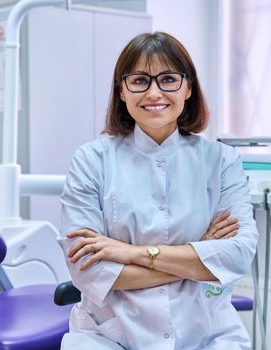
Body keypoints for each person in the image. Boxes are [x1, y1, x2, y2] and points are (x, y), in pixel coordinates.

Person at [59, 31, 258, 350]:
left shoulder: (220, 161)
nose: (154, 92)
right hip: (109, 334)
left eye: (168, 79)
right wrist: (198, 257)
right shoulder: (91, 161)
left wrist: (133, 253)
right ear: (122, 91)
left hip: (207, 332)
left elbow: (237, 256)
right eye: (139, 80)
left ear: (188, 88)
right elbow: (88, 271)